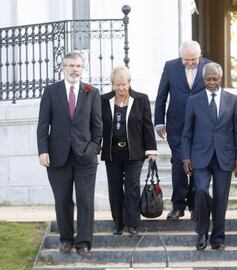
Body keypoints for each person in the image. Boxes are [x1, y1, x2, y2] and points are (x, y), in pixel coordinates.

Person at [37, 52, 102, 259]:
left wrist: (93, 149)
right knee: (63, 200)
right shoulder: (51, 91)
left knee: (85, 200)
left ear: (83, 68)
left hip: (85, 158)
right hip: (57, 157)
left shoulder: (92, 92)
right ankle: (66, 239)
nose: (74, 69)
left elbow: (98, 127)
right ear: (63, 67)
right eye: (70, 65)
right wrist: (43, 151)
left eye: (78, 66)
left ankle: (83, 243)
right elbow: (42, 125)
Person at [181, 62, 237, 251]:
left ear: (221, 78)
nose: (211, 82)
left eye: (215, 79)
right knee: (201, 191)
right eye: (208, 79)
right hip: (200, 156)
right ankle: (202, 233)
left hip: (225, 157)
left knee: (220, 197)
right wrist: (185, 157)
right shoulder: (194, 100)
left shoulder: (233, 100)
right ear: (203, 79)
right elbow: (187, 132)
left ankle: (218, 237)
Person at [155, 40, 212, 220]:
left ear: (200, 55)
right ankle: (178, 206)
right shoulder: (170, 67)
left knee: (197, 164)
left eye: (193, 59)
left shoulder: (210, 67)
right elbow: (161, 95)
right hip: (176, 125)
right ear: (181, 56)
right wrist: (159, 122)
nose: (189, 62)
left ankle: (195, 206)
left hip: (201, 126)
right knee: (179, 163)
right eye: (186, 59)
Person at [101, 66, 157, 236]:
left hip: (134, 152)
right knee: (115, 188)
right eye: (117, 85)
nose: (121, 88)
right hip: (112, 152)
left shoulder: (141, 99)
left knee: (132, 186)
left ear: (129, 83)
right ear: (112, 84)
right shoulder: (103, 100)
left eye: (124, 84)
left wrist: (151, 150)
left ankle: (132, 223)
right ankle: (118, 224)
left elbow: (147, 126)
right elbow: (98, 124)